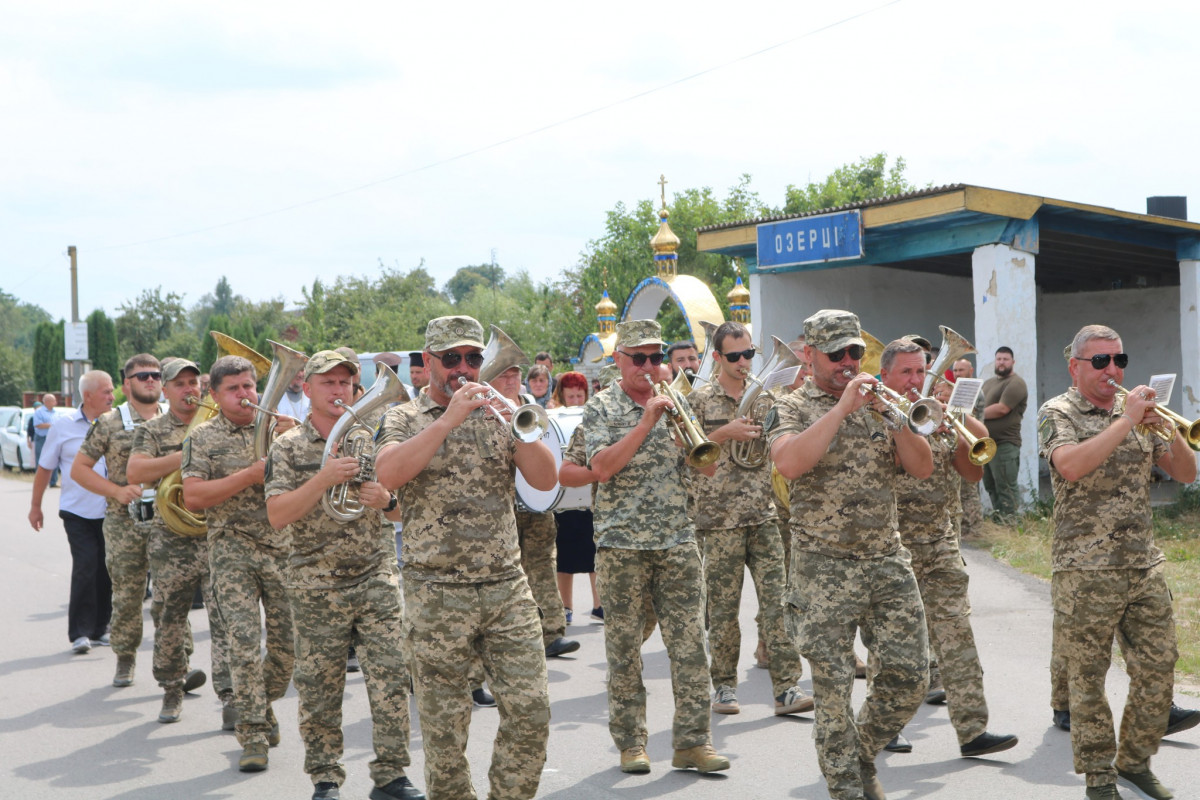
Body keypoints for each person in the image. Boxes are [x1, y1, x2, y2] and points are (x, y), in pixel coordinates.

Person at [374, 315, 555, 800]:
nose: (463, 368)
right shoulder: (402, 418)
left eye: (473, 359)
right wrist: (449, 418)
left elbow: (544, 479)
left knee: (532, 710)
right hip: (436, 592)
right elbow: (389, 474)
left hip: (505, 586)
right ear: (429, 361)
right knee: (445, 731)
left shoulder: (501, 413)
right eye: (451, 359)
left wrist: (517, 421)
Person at [769, 312, 933, 800]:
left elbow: (922, 468)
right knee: (834, 691)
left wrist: (894, 418)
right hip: (823, 567)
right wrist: (840, 409)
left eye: (855, 353)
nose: (847, 362)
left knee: (910, 677)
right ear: (809, 355)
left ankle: (859, 756)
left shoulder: (883, 403)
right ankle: (845, 788)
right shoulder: (789, 405)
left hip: (885, 558)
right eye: (836, 353)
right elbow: (790, 462)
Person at [1039, 325, 1196, 800]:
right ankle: (1099, 778)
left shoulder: (1139, 417)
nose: (1114, 370)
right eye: (1102, 361)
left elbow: (1187, 474)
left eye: (1119, 360)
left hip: (1142, 565)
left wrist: (1166, 428)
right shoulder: (1057, 412)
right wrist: (1125, 421)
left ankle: (1133, 762)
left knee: (1159, 668)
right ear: (1076, 367)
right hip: (1085, 570)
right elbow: (1069, 465)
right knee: (1087, 679)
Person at [265, 351, 424, 800]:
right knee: (320, 688)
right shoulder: (287, 446)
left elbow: (405, 513)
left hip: (375, 576)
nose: (338, 391)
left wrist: (387, 501)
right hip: (316, 583)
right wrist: (322, 479)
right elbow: (278, 516)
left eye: (346, 383)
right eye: (328, 383)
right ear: (308, 387)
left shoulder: (371, 439)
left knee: (392, 677)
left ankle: (391, 775)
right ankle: (326, 779)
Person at [575, 319, 729, 776]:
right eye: (638, 358)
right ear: (619, 360)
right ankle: (631, 743)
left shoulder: (678, 401)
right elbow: (602, 467)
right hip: (622, 545)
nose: (648, 366)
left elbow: (707, 470)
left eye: (655, 356)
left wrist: (686, 430)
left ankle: (693, 742)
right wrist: (646, 422)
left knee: (690, 647)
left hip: (677, 540)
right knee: (624, 650)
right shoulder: (602, 407)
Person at [880, 339, 1018, 758]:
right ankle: (885, 727)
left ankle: (973, 731)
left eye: (920, 372)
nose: (915, 380)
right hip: (893, 545)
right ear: (885, 375)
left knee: (957, 635)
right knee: (896, 644)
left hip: (940, 543)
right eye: (906, 373)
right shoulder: (877, 417)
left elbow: (972, 475)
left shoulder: (934, 413)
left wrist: (958, 425)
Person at [687, 320, 811, 717]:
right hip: (718, 519)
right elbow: (686, 454)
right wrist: (725, 432)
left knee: (779, 604)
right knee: (722, 610)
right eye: (735, 356)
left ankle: (787, 687)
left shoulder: (767, 398)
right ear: (718, 358)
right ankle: (723, 686)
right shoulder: (699, 401)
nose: (744, 362)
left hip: (763, 515)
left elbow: (779, 446)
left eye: (749, 354)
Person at [182, 354, 296, 773]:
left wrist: (299, 438)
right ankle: (252, 734)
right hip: (232, 550)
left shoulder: (282, 431)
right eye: (233, 389)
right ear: (214, 395)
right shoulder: (204, 437)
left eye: (249, 386)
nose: (245, 395)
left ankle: (262, 706)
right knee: (244, 646)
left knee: (288, 648)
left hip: (282, 548)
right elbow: (193, 497)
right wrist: (248, 476)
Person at [126, 359, 230, 726]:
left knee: (226, 619)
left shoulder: (221, 424)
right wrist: (188, 450)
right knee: (169, 617)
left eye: (193, 382)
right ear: (166, 391)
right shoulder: (152, 430)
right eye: (180, 383)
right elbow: (136, 472)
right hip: (171, 540)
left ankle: (230, 695)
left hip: (217, 534)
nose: (189, 389)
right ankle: (172, 688)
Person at [71, 355, 164, 688]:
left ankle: (175, 667)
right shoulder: (110, 422)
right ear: (127, 384)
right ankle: (125, 658)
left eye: (155, 375)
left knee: (172, 596)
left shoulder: (176, 419)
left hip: (169, 521)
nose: (150, 380)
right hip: (125, 523)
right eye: (142, 376)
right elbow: (78, 469)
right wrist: (116, 490)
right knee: (128, 596)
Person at [492, 363, 579, 658]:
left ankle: (552, 633)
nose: (510, 380)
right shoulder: (482, 409)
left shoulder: (530, 406)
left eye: (515, 374)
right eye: (503, 374)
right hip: (503, 507)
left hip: (537, 503)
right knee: (505, 573)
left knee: (542, 565)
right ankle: (510, 638)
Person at [28, 370, 114, 653]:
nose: (112, 397)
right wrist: (36, 506)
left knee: (107, 569)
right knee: (86, 566)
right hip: (77, 512)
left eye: (113, 390)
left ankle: (102, 628)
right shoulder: (63, 426)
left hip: (111, 510)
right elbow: (45, 468)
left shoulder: (117, 424)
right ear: (88, 396)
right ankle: (80, 632)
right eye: (106, 392)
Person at [981, 346, 1027, 517]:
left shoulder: (1016, 383)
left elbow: (1002, 409)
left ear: (1012, 362)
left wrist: (974, 414)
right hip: (986, 444)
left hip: (1004, 444)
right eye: (999, 359)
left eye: (1005, 359)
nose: (1001, 362)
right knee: (991, 486)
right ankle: (1000, 523)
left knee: (1006, 487)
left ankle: (1012, 526)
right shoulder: (989, 383)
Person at [33, 393, 59, 487]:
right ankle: (39, 483)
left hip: (53, 438)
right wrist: (51, 425)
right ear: (46, 401)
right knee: (41, 460)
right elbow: (38, 424)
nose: (55, 402)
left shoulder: (55, 412)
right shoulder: (39, 412)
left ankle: (53, 482)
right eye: (53, 400)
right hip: (42, 438)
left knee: (54, 458)